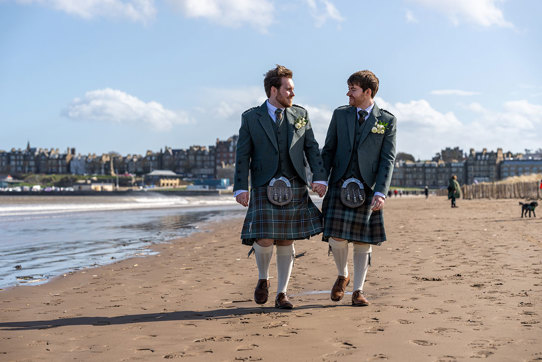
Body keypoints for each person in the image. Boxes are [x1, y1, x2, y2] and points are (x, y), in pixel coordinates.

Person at [234, 65, 327, 309]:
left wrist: (320, 177)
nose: (292, 94)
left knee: (286, 240)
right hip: (264, 184)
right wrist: (240, 187)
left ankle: (282, 293)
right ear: (274, 90)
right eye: (288, 89)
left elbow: (312, 149)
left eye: (293, 89)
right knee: (264, 239)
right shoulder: (251, 117)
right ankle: (263, 279)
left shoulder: (301, 115)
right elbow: (243, 155)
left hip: (294, 182)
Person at [321, 70, 397, 306]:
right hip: (339, 182)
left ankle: (358, 290)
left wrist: (381, 192)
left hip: (367, 186)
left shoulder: (386, 120)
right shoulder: (340, 115)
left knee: (363, 242)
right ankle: (343, 274)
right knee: (336, 237)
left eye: (353, 89)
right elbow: (329, 150)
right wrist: (322, 179)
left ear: (367, 92)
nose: (348, 93)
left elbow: (388, 159)